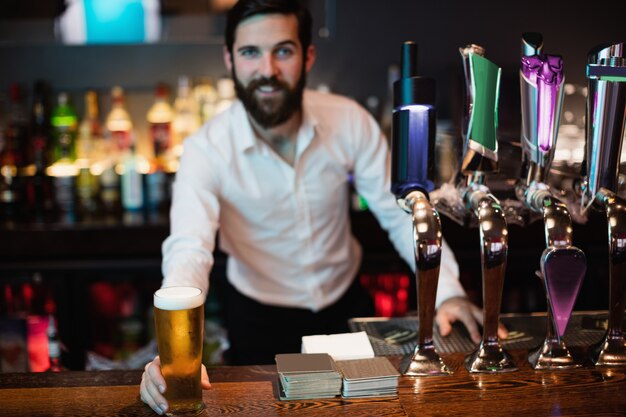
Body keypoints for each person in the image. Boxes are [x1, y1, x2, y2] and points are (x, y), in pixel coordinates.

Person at [140, 0, 507, 414]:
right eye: (250, 52)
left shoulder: (348, 120)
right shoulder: (206, 148)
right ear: (229, 59)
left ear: (308, 55)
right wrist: (170, 355)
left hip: (345, 310)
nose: (268, 70)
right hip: (258, 322)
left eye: (283, 50)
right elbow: (189, 247)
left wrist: (449, 295)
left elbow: (400, 213)